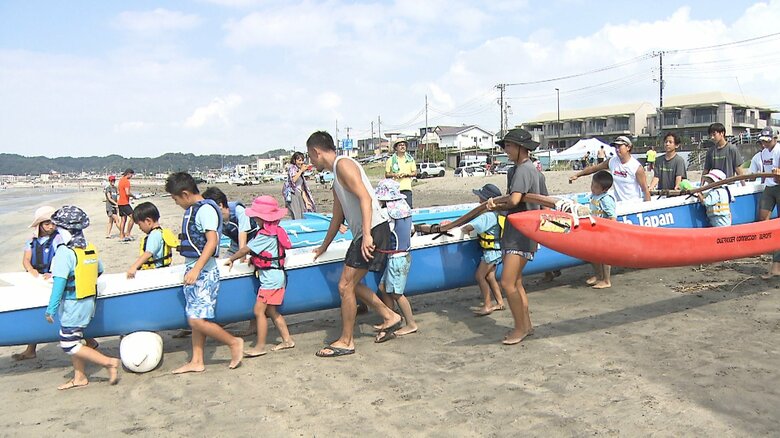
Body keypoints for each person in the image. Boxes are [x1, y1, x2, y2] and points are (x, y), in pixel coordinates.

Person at [307, 131, 401, 358]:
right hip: (366, 233)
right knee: (352, 284)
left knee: (344, 286)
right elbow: (337, 217)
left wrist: (367, 235)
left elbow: (365, 198)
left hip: (373, 230)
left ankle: (347, 341)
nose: (310, 162)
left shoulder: (343, 165)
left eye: (310, 157)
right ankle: (390, 316)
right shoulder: (335, 179)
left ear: (316, 152)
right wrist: (324, 247)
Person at [165, 172, 243, 373]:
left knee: (196, 320)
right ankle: (197, 360)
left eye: (175, 199)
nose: (176, 203)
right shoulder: (198, 209)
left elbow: (212, 241)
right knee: (195, 317)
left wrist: (197, 270)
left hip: (204, 272)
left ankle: (233, 342)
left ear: (185, 194)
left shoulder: (205, 210)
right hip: (195, 268)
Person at [44, 206, 120, 389]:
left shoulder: (64, 253)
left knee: (68, 343)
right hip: (87, 302)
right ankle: (79, 377)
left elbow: (59, 284)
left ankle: (108, 362)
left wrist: (51, 309)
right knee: (76, 339)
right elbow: (99, 270)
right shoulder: (89, 249)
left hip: (73, 304)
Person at [485, 128, 544, 345]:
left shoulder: (523, 170)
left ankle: (519, 328)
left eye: (508, 146)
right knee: (517, 283)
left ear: (521, 148)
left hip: (520, 234)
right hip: (524, 233)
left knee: (507, 283)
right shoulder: (530, 169)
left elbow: (514, 200)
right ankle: (525, 325)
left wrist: (494, 205)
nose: (505, 150)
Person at [225, 196, 295, 357]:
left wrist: (231, 259)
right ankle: (287, 340)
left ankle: (260, 346)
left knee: (258, 311)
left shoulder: (265, 235)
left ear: (263, 218)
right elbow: (266, 253)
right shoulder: (275, 231)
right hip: (276, 275)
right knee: (272, 311)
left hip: (270, 279)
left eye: (256, 217)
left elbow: (245, 250)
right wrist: (255, 260)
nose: (255, 219)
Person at [373, 179, 417, 339]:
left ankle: (411, 323)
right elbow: (411, 230)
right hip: (404, 255)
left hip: (396, 258)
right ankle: (391, 317)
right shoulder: (405, 209)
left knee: (398, 293)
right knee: (384, 287)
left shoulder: (387, 213)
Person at [14, 206, 59, 361]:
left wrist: (54, 273)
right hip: (37, 280)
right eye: (47, 224)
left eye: (53, 223)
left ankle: (90, 340)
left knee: (62, 311)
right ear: (39, 225)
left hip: (53, 279)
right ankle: (31, 349)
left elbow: (62, 257)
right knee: (34, 311)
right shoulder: (31, 242)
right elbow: (26, 259)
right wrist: (30, 269)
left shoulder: (58, 239)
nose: (51, 227)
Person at [460, 183, 505, 316]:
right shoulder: (497, 213)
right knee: (490, 276)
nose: (479, 201)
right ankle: (500, 302)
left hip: (491, 252)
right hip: (497, 250)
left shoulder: (486, 216)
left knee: (479, 276)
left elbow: (470, 227)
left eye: (480, 198)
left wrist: (464, 229)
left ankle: (487, 305)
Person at [569, 135, 650, 202]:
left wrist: (647, 208)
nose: (617, 150)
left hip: (633, 204)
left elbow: (645, 189)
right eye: (616, 147)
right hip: (618, 204)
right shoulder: (612, 161)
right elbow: (594, 168)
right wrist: (577, 175)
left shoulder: (636, 167)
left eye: (619, 146)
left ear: (628, 147)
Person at [753, 127, 780, 279]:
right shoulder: (763, 153)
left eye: (767, 141)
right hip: (769, 188)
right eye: (762, 141)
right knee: (763, 220)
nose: (764, 144)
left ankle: (776, 265)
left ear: (775, 139)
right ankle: (768, 248)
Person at [126, 202, 179, 279]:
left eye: (139, 224)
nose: (140, 228)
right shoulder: (160, 232)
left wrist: (134, 267)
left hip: (156, 273)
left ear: (148, 221)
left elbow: (148, 253)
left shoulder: (154, 235)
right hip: (163, 270)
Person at [202, 187, 259, 256]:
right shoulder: (213, 218)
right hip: (235, 245)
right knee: (224, 264)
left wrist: (242, 259)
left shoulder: (239, 211)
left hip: (254, 242)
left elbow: (242, 238)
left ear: (220, 205)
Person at [586, 171, 617, 289]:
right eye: (592, 185)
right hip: (595, 230)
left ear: (604, 189)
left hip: (604, 231)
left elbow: (612, 216)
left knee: (605, 256)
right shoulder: (594, 196)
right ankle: (598, 275)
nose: (593, 188)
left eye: (596, 187)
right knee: (593, 255)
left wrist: (610, 231)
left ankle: (606, 280)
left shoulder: (606, 199)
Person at [283, 152, 316, 219]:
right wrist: (301, 170)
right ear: (295, 160)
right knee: (297, 215)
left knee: (303, 213)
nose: (301, 162)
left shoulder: (299, 171)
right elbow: (293, 180)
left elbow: (302, 188)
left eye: (302, 160)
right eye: (299, 160)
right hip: (292, 194)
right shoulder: (292, 168)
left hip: (299, 194)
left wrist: (306, 201)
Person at [384, 139, 417, 208]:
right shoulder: (390, 160)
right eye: (400, 145)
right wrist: (394, 175)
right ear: (396, 148)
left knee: (408, 208)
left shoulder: (410, 159)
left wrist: (407, 174)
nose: (402, 147)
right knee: (395, 209)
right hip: (394, 189)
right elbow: (387, 174)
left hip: (406, 188)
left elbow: (414, 173)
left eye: (404, 145)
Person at [117, 169, 136, 242]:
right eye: (132, 175)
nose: (132, 176)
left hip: (120, 203)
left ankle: (121, 236)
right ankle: (128, 233)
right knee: (133, 217)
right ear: (129, 174)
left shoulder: (121, 180)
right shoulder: (126, 181)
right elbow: (127, 192)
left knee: (123, 220)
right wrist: (133, 196)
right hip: (124, 203)